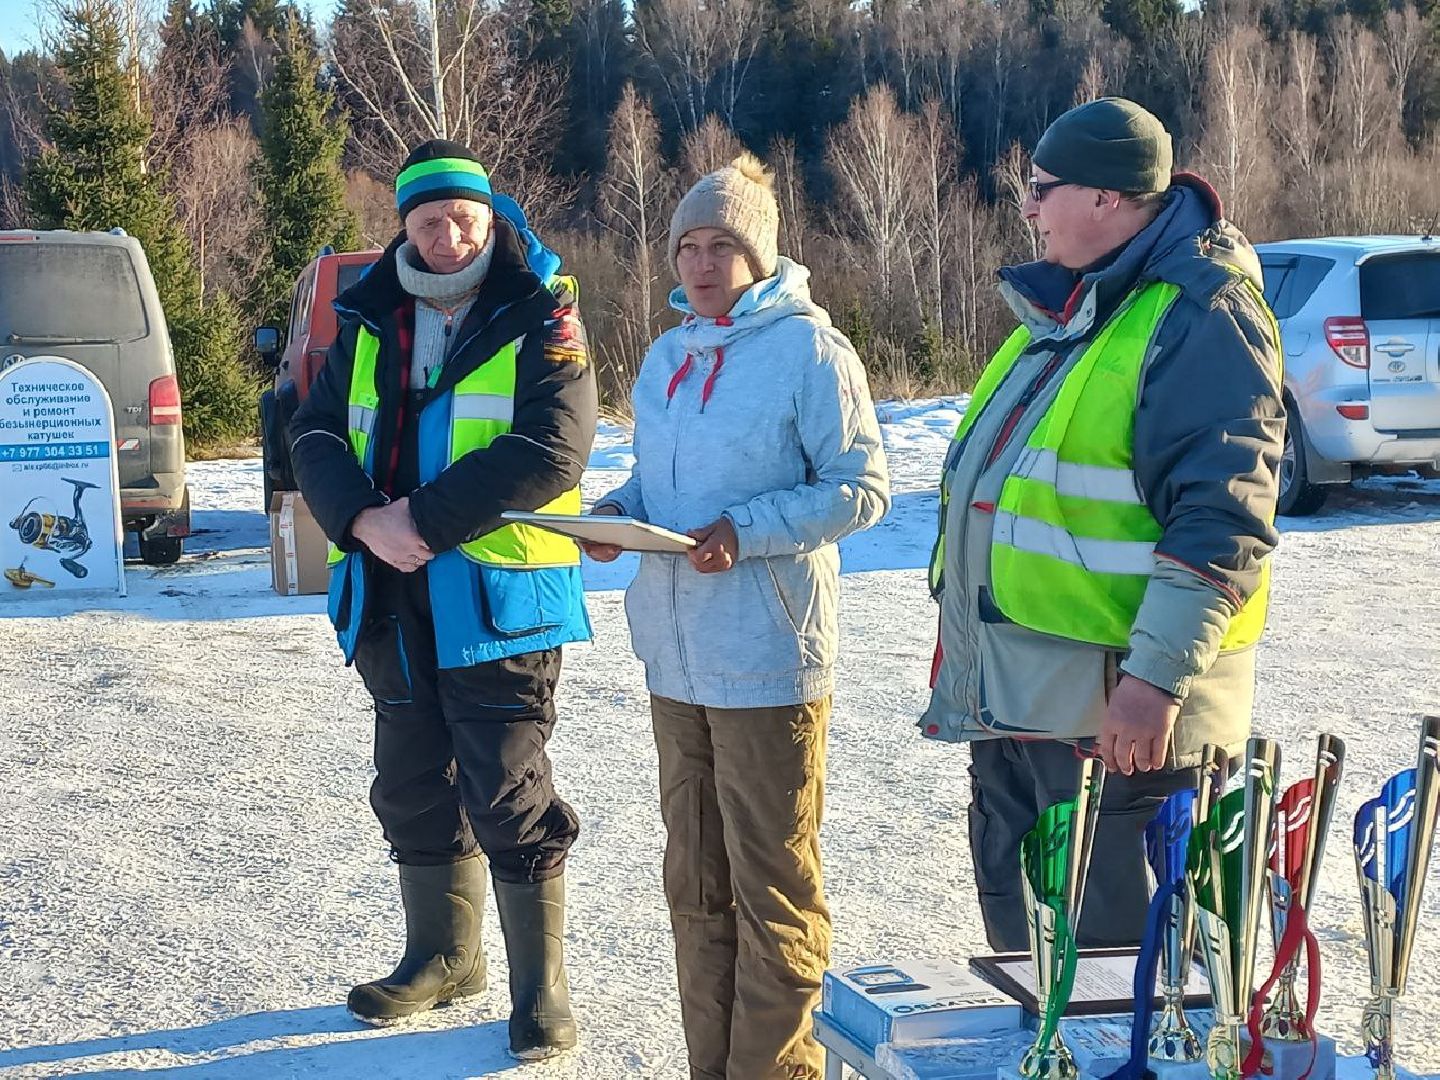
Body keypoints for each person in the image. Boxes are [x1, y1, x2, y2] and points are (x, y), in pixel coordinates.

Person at [921, 98, 1284, 951]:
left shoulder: (1200, 316)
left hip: (1121, 736)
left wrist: (1154, 681)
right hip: (1027, 716)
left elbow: (1221, 522)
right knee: (1032, 977)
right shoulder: (1074, 312)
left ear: (1106, 198)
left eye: (1040, 188)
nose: (1027, 209)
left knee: (1118, 988)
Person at [288, 139, 596, 1060]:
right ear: (405, 228)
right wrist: (362, 522)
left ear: (489, 218)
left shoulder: (542, 309)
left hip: (498, 591)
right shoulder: (367, 315)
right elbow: (313, 432)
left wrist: (419, 519)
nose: (448, 236)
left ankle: (541, 992)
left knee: (506, 787)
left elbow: (553, 445)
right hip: (388, 588)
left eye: (464, 218)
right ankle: (443, 958)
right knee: (411, 782)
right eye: (430, 221)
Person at [585, 154, 889, 1080]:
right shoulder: (667, 358)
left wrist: (745, 532)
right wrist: (616, 514)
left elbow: (862, 487)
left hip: (766, 661)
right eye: (688, 247)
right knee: (695, 885)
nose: (702, 264)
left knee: (773, 891)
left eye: (721, 245)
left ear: (758, 255)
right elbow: (661, 483)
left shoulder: (810, 352)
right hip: (676, 662)